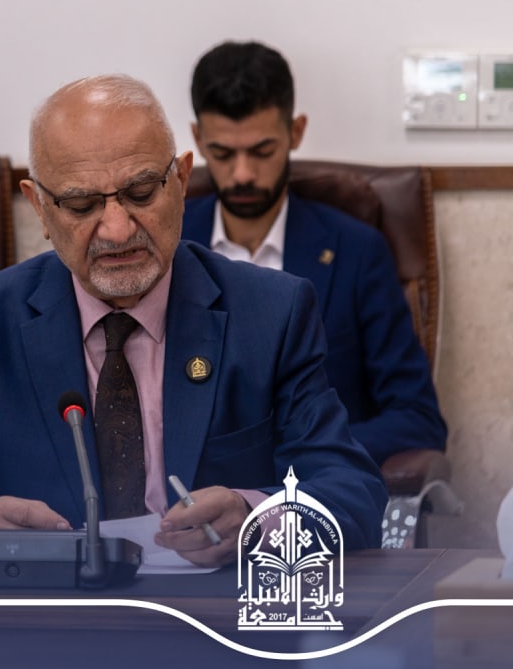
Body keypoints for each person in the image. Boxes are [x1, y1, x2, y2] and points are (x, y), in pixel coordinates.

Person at [0, 75, 386, 566]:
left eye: (141, 193)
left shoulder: (271, 313)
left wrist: (259, 516)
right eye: (81, 204)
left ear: (181, 181)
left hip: (213, 610)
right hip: (50, 609)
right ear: (39, 207)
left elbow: (352, 490)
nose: (118, 230)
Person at [182, 40, 447, 466]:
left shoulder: (356, 251)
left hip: (314, 485)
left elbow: (417, 419)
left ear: (296, 132)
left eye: (263, 151)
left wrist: (301, 455)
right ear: (198, 139)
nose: (243, 174)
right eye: (223, 153)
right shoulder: (171, 245)